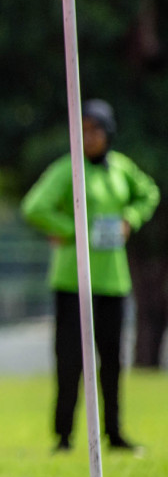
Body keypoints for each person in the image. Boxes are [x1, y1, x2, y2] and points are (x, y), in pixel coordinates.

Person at [21, 100, 159, 452]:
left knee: (112, 360)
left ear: (107, 132)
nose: (89, 137)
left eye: (95, 130)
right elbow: (34, 207)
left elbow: (149, 194)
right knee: (70, 360)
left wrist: (131, 218)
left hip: (112, 280)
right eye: (82, 130)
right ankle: (64, 434)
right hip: (73, 281)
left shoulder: (121, 169)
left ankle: (114, 431)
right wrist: (71, 230)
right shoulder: (68, 169)